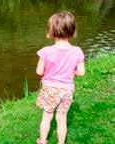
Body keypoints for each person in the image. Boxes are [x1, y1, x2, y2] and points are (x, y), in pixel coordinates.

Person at [35, 11, 85, 144]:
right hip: (67, 90)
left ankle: (43, 141)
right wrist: (70, 71)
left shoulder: (45, 51)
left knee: (47, 117)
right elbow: (81, 72)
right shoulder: (77, 51)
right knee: (62, 118)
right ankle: (61, 143)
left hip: (50, 89)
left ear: (51, 31)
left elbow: (39, 71)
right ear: (72, 31)